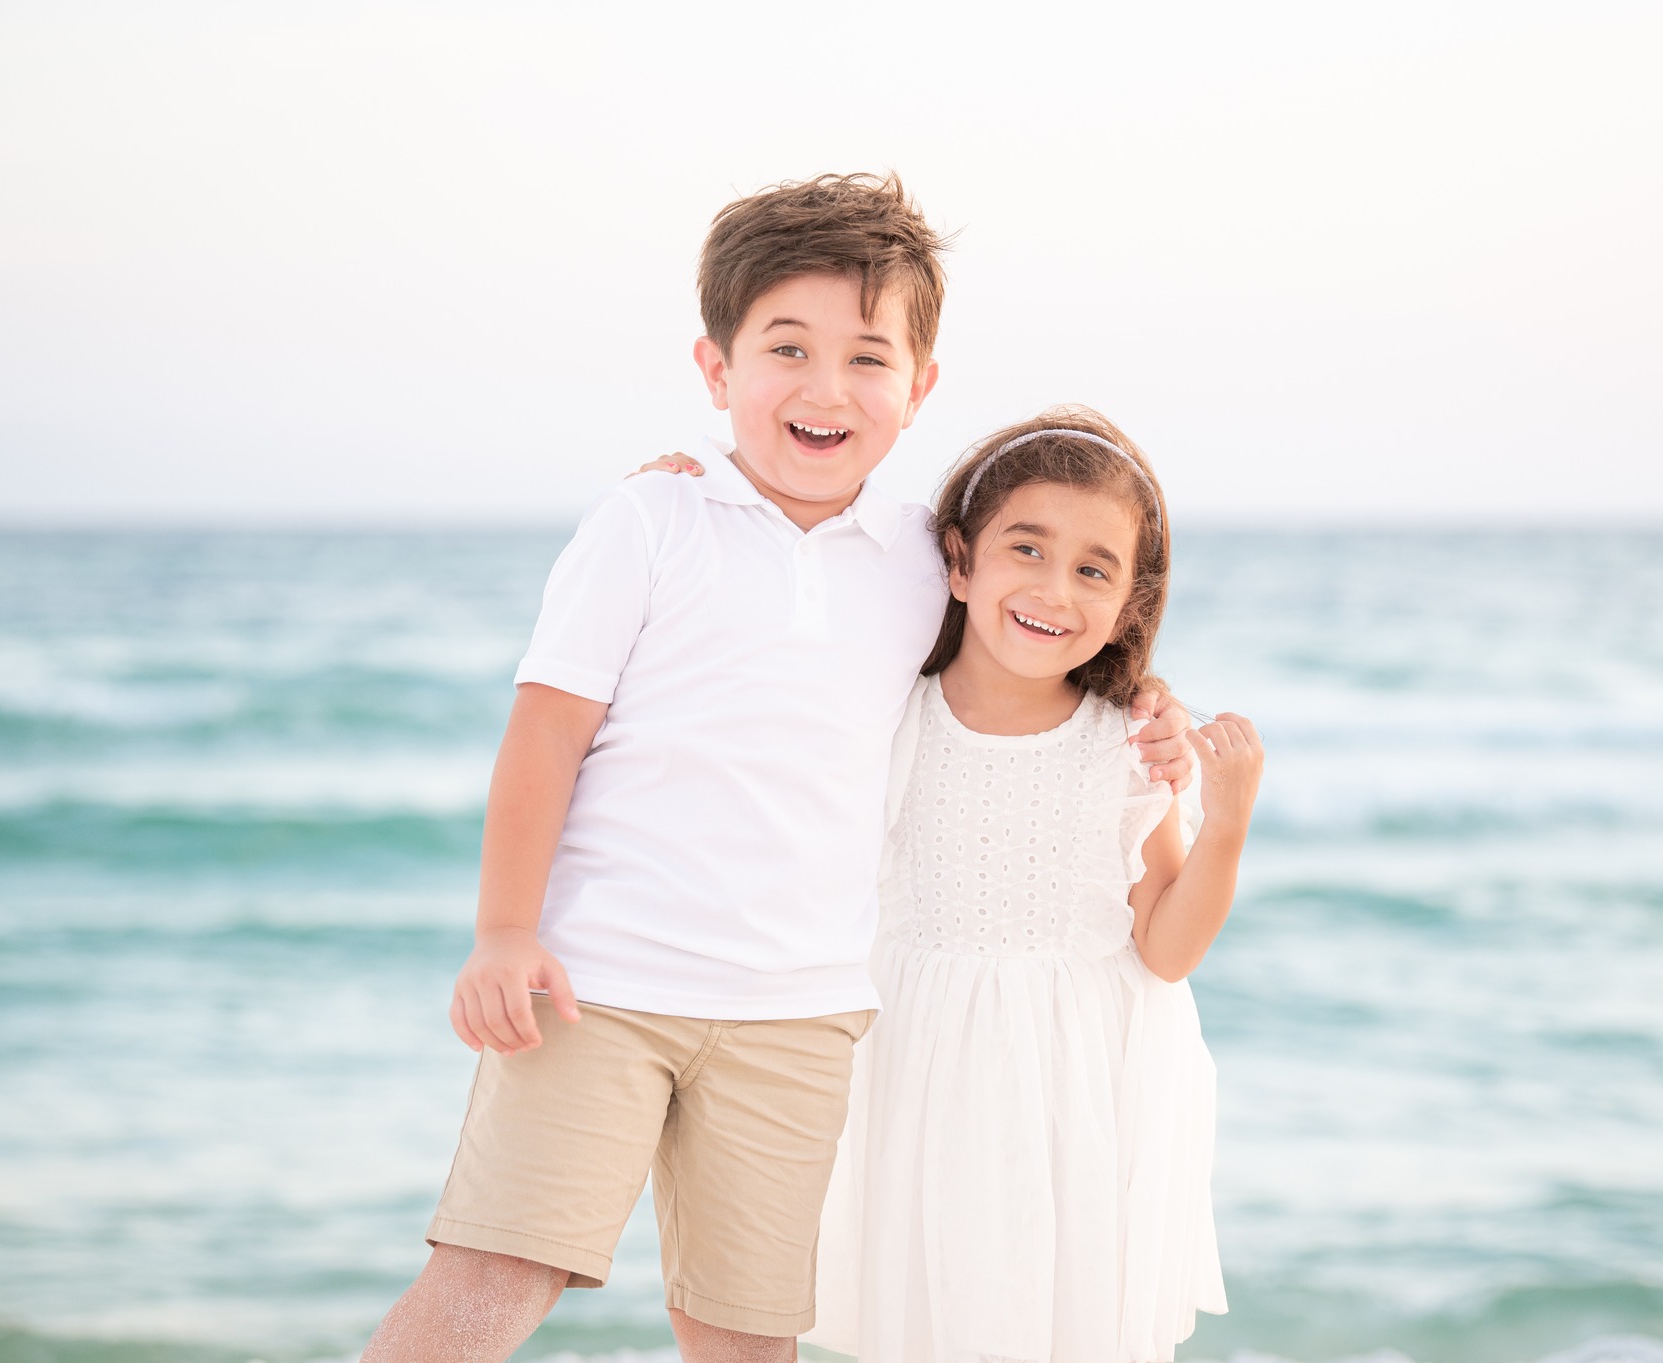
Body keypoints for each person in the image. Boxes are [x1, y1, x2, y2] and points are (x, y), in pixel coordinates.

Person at [359, 175, 1197, 1363]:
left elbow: (1030, 646)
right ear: (716, 369)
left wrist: (1148, 704)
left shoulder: (920, 559)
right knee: (495, 1277)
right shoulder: (650, 522)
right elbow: (544, 732)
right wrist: (503, 932)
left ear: (919, 388)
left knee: (748, 1337)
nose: (824, 388)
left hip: (799, 1013)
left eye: (866, 358)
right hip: (602, 983)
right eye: (786, 348)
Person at [812, 408, 1257, 1363]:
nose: (1055, 589)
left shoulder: (1125, 743)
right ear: (958, 561)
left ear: (1128, 605)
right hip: (918, 1071)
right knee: (926, 1313)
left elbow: (1167, 950)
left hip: (1075, 1092)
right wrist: (689, 485)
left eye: (1095, 570)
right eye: (1027, 548)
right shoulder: (888, 713)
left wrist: (1226, 823)